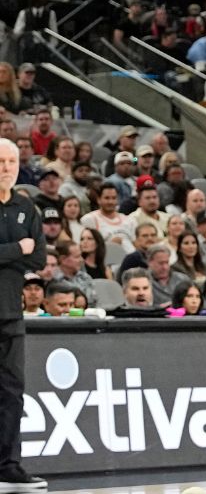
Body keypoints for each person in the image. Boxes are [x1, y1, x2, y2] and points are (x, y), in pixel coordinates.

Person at [0, 138, 47, 491]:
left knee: (13, 391)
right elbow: (26, 252)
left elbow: (39, 259)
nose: (6, 167)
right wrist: (17, 248)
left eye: (12, 161)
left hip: (10, 314)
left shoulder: (26, 207)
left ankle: (9, 463)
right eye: (0, 161)